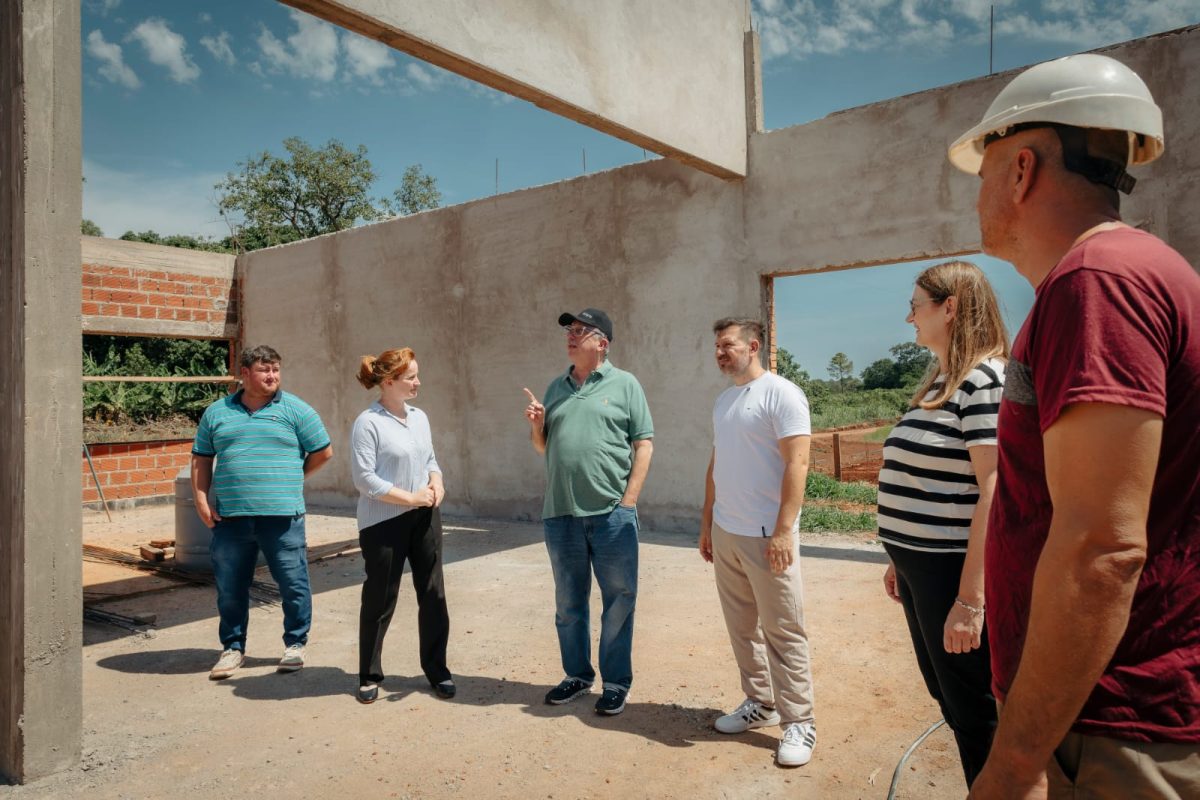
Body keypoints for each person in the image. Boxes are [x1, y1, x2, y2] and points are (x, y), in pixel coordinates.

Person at [947, 54, 1200, 798]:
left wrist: (1016, 760)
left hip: (1112, 722)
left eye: (984, 171)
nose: (978, 197)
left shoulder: (1098, 285)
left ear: (1022, 169)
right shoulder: (1129, 272)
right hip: (1106, 710)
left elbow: (1102, 549)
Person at [877, 261, 1007, 786]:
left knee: (976, 711)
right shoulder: (941, 377)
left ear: (949, 307)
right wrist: (898, 560)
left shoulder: (985, 380)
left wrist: (970, 601)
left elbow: (995, 489)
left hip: (952, 573)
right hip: (920, 572)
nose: (909, 317)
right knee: (950, 698)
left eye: (916, 305)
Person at [522, 307, 654, 716]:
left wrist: (629, 500)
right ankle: (577, 676)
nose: (571, 336)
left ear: (603, 343)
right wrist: (537, 425)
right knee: (568, 603)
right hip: (561, 512)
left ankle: (616, 683)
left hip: (611, 512)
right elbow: (544, 449)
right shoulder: (555, 387)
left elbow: (643, 443)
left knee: (619, 599)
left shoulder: (625, 384)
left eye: (581, 330)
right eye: (569, 330)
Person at [699, 318, 817, 768]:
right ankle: (761, 703)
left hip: (768, 535)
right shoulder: (725, 401)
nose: (719, 352)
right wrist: (708, 521)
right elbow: (718, 462)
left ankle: (799, 722)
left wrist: (786, 529)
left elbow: (798, 462)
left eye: (726, 345)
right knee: (742, 628)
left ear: (753, 346)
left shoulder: (782, 394)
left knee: (783, 630)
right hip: (729, 532)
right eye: (716, 346)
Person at [191, 345, 333, 680]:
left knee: (293, 583)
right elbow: (201, 458)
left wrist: (291, 477)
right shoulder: (216, 413)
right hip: (230, 519)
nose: (272, 376)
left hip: (283, 517)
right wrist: (199, 497)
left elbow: (323, 452)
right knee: (230, 586)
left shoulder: (296, 409)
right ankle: (232, 648)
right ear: (244, 373)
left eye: (276, 370)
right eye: (264, 370)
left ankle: (295, 645)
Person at [349, 347, 452, 705]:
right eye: (411, 378)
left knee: (433, 594)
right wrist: (411, 499)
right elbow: (365, 480)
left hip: (425, 515)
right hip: (383, 523)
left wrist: (437, 482)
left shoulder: (419, 417)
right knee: (380, 598)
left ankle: (437, 670)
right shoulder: (368, 423)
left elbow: (430, 459)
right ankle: (369, 674)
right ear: (388, 382)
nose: (418, 383)